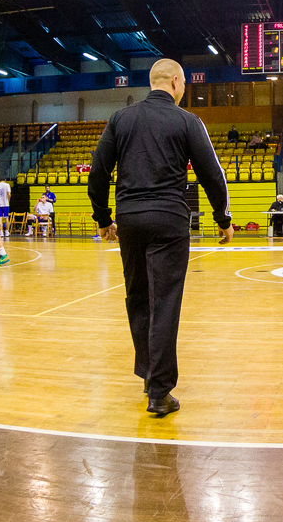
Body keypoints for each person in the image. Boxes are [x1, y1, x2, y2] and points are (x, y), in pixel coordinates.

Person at [90, 59, 232, 417]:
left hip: (129, 219)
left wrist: (103, 219)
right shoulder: (187, 121)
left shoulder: (120, 119)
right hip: (169, 219)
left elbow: (98, 172)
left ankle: (148, 374)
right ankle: (159, 391)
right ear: (175, 82)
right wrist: (223, 219)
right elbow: (212, 174)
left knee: (138, 298)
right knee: (165, 302)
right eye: (184, 85)